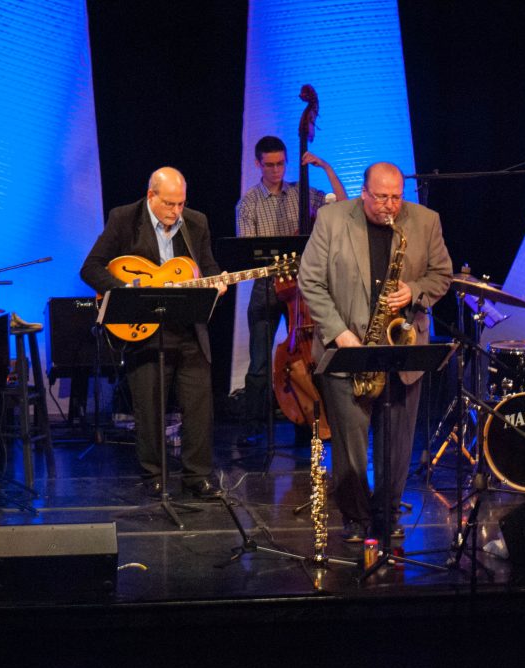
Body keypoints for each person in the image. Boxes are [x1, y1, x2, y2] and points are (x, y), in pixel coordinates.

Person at [298, 162, 452, 542]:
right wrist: (339, 334)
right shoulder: (332, 219)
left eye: (397, 197)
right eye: (381, 197)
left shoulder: (425, 220)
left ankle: (387, 516)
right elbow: (310, 281)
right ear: (363, 192)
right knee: (350, 446)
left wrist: (413, 291)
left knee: (397, 444)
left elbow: (442, 275)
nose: (390, 206)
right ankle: (356, 517)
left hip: (401, 348)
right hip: (348, 348)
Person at [80, 167, 226, 500]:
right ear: (151, 196)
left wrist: (217, 283)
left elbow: (209, 265)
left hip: (187, 326)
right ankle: (154, 475)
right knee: (148, 404)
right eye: (170, 204)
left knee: (199, 402)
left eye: (181, 203)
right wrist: (127, 295)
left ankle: (196, 477)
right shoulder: (124, 219)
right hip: (143, 328)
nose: (177, 212)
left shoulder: (196, 222)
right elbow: (90, 268)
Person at [235, 135, 348, 444]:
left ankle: (308, 421)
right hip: (268, 288)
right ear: (258, 164)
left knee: (310, 357)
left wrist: (324, 166)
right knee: (259, 361)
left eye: (281, 164)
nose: (276, 170)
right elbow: (248, 253)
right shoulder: (248, 203)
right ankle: (253, 428)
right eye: (269, 165)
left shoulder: (304, 194)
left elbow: (343, 204)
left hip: (304, 290)